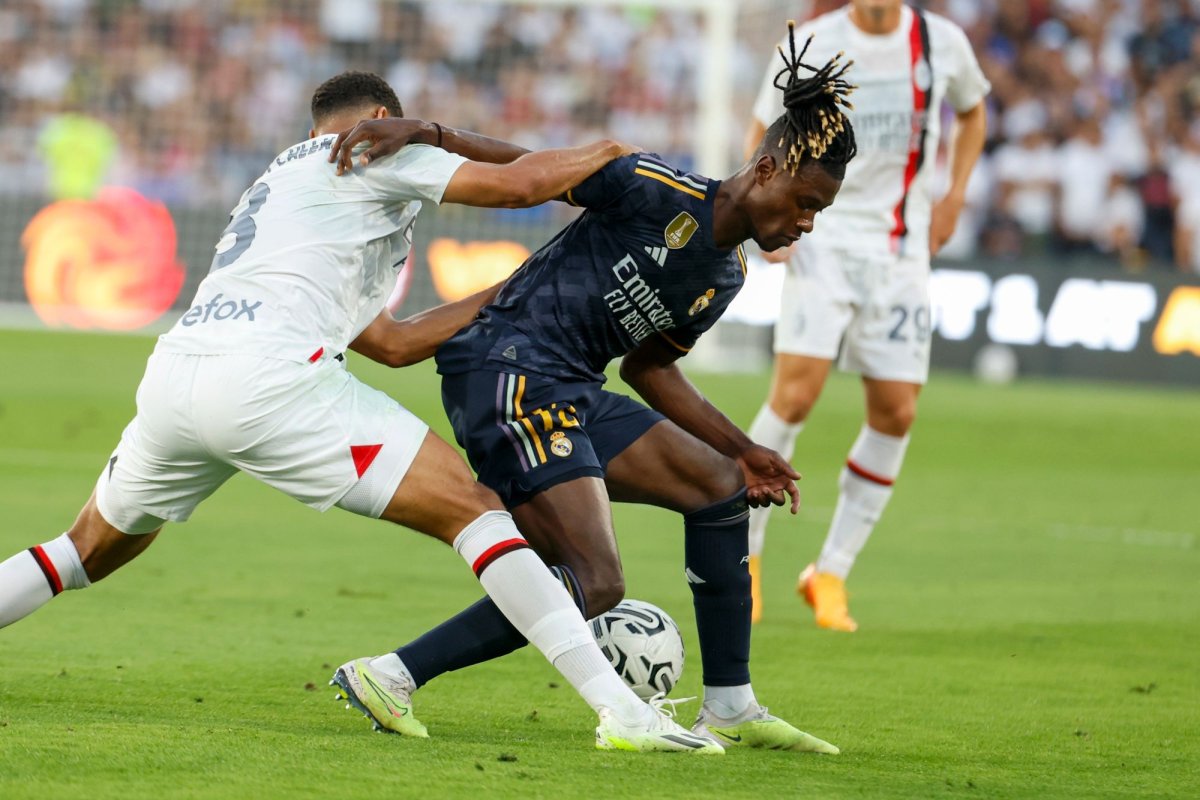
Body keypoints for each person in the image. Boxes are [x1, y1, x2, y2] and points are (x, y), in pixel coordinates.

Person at [0, 71, 722, 755]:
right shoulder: (378, 154)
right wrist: (619, 154)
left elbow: (394, 342)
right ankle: (621, 711)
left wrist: (518, 286)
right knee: (475, 511)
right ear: (382, 121)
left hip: (179, 375)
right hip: (272, 382)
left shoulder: (281, 179)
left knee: (82, 550)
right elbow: (527, 184)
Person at [328, 28, 853, 753]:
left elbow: (649, 369)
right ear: (766, 169)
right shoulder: (653, 188)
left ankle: (730, 703)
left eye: (818, 212)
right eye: (805, 200)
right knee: (596, 580)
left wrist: (744, 448)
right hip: (505, 367)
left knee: (716, 485)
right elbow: (529, 167)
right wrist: (435, 133)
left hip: (571, 386)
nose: (806, 220)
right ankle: (392, 673)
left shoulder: (722, 277)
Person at [742, 0, 989, 630]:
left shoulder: (940, 44)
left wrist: (955, 193)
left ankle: (830, 573)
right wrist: (763, 212)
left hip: (901, 252)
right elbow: (761, 130)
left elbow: (973, 111)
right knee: (795, 398)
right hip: (824, 241)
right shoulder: (817, 41)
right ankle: (745, 561)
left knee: (897, 411)